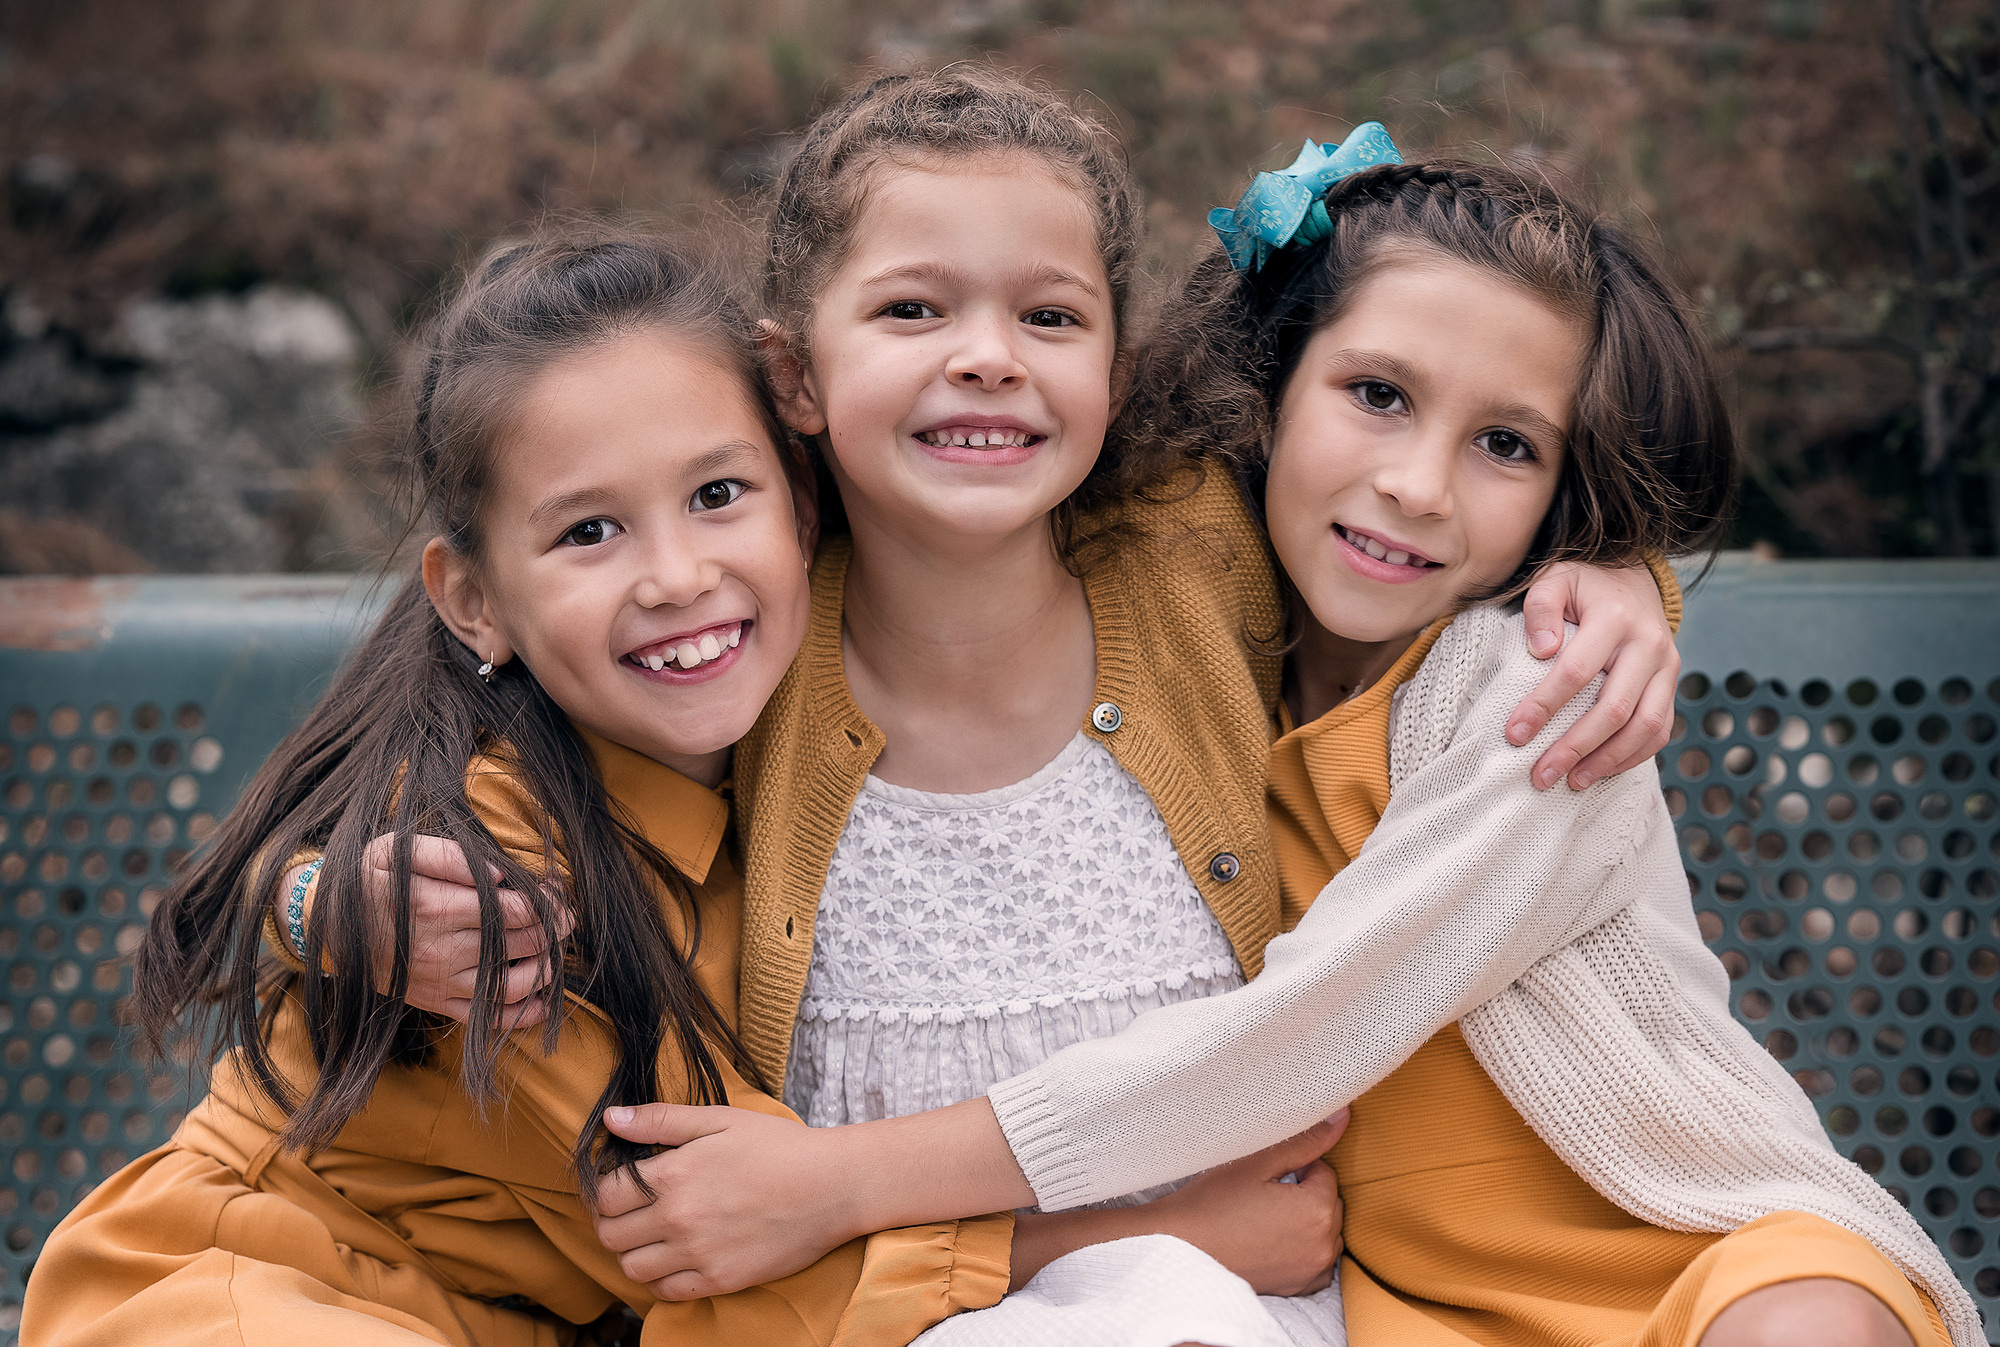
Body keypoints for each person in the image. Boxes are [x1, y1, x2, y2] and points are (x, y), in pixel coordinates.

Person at [573, 144, 1985, 1347]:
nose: (1416, 485)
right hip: (1404, 1312)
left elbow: (1303, 1033)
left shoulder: (1541, 689)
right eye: (1377, 395)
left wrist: (844, 1181)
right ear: (1270, 391)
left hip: (1686, 1252)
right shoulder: (1212, 633)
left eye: (1509, 446)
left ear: (1564, 490)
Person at [20, 226, 1346, 1347]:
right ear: (474, 600)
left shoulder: (795, 747)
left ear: (803, 507)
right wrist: (1161, 1228)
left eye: (717, 494)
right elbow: (722, 1252)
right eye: (590, 531)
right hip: (251, 1297)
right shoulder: (505, 859)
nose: (672, 575)